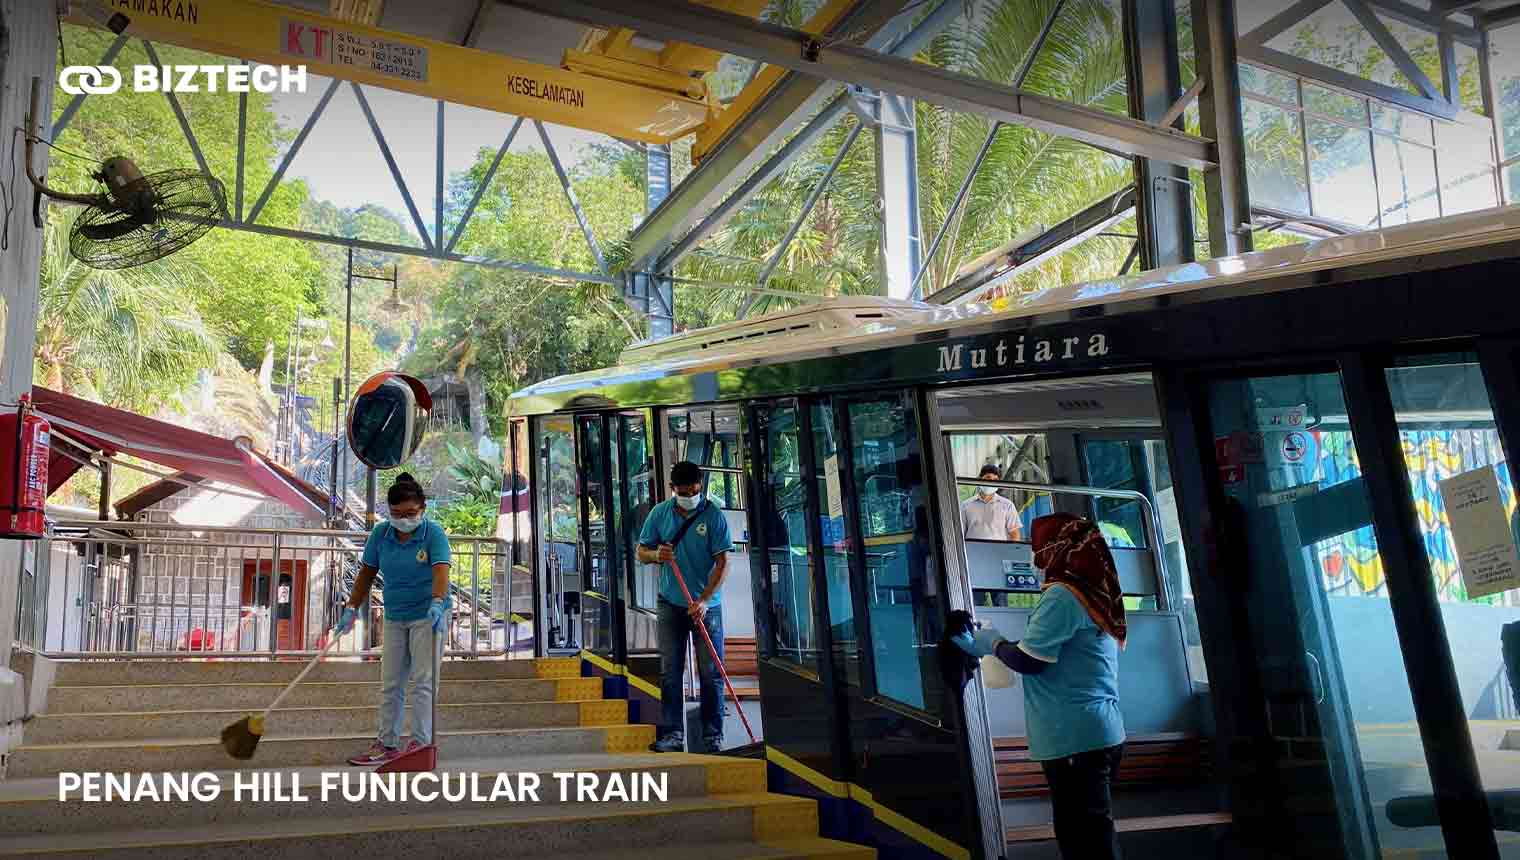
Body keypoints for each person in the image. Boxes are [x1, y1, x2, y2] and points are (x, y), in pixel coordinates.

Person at [953, 513, 1127, 859]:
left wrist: (993, 645)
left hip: (1074, 737)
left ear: (1059, 549)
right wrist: (1004, 646)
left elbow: (1030, 661)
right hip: (1092, 731)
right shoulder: (1094, 590)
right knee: (1090, 831)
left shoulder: (1064, 595)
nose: (1034, 560)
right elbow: (1052, 650)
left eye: (1038, 550)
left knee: (1085, 838)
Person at [340, 473, 452, 766]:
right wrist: (351, 607)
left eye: (410, 513)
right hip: (395, 615)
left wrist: (439, 603)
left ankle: (420, 743)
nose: (403, 520)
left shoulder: (433, 534)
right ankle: (387, 744)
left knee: (425, 681)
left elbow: (441, 572)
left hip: (429, 615)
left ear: (423, 509)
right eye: (396, 514)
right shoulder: (381, 534)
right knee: (391, 683)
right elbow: (366, 573)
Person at [636, 460, 733, 752]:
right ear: (672, 488)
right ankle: (673, 734)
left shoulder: (713, 516)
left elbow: (723, 563)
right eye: (683, 490)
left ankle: (712, 736)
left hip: (706, 607)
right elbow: (642, 551)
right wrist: (657, 556)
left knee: (711, 672)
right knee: (670, 671)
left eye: (693, 489)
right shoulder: (659, 514)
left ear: (700, 485)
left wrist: (704, 600)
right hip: (671, 604)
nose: (689, 494)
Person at [961, 463, 1023, 541]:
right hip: (971, 551)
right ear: (980, 479)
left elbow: (1014, 534)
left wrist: (1012, 551)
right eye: (988, 478)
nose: (991, 482)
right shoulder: (966, 505)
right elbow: (960, 533)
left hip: (999, 551)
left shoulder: (1007, 505)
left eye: (995, 480)